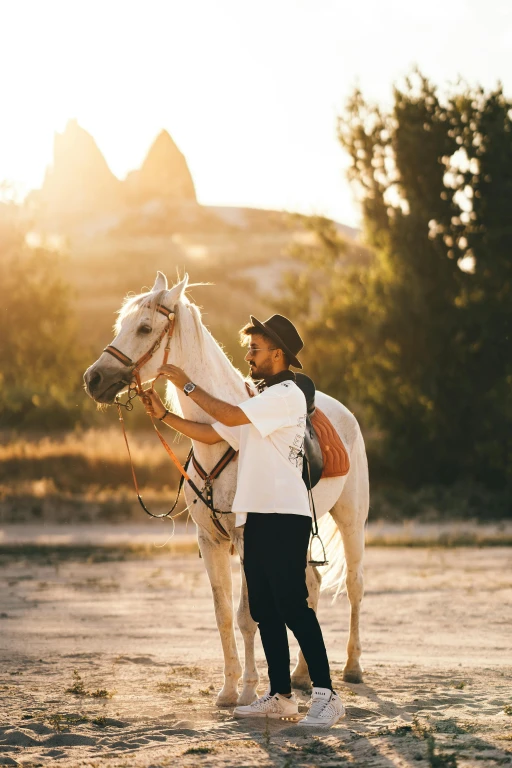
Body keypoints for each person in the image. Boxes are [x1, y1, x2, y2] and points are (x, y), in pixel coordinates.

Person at [142, 314, 345, 728]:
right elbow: (214, 433)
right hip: (255, 516)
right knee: (264, 609)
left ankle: (327, 695)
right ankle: (281, 696)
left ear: (278, 353)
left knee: (293, 606)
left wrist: (185, 383)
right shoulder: (260, 401)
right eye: (248, 348)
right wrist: (164, 415)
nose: (248, 355)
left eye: (255, 349)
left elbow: (229, 417)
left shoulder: (286, 395)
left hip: (285, 515)